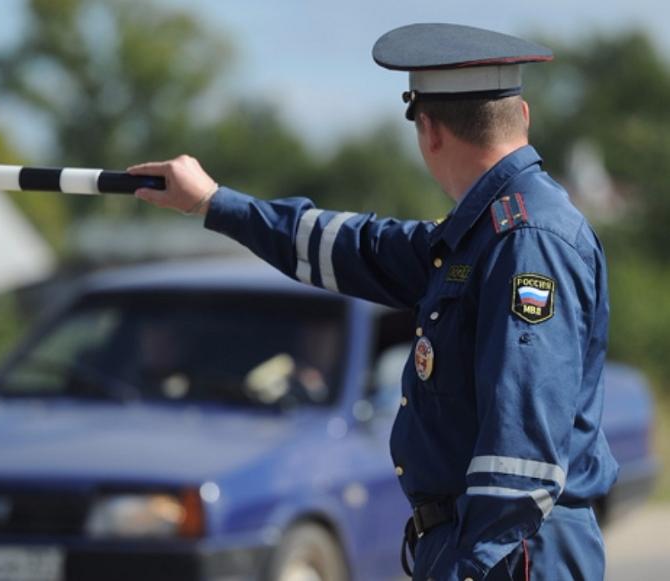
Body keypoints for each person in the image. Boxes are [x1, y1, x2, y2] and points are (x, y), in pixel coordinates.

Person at [128, 23, 618, 581]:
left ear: (428, 129)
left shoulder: (524, 239)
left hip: (508, 555)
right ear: (521, 117)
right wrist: (216, 203)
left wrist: (467, 568)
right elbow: (353, 245)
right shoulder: (480, 233)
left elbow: (522, 455)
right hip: (486, 548)